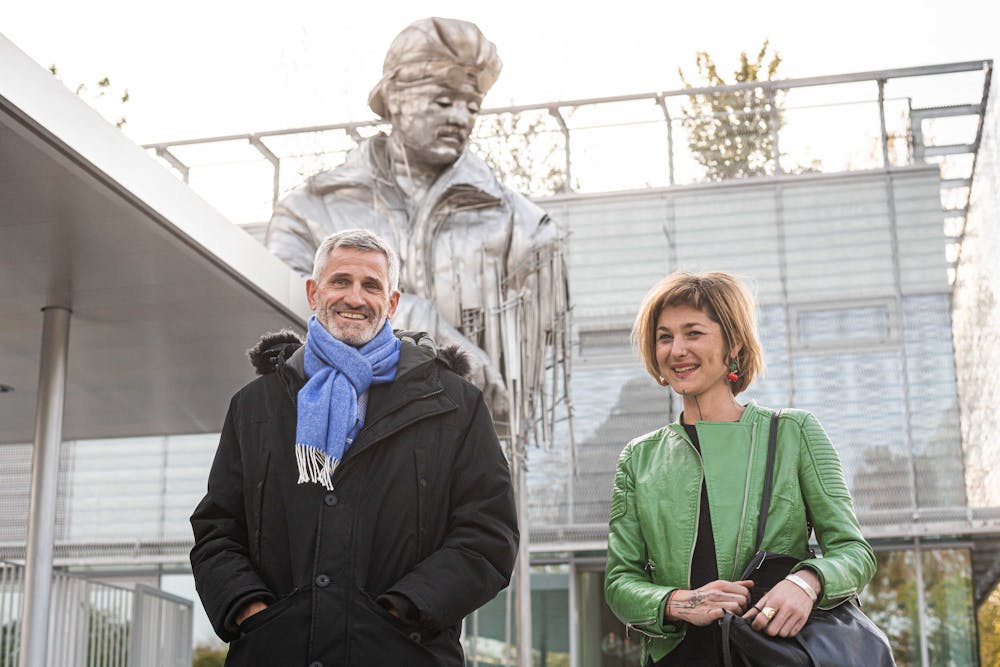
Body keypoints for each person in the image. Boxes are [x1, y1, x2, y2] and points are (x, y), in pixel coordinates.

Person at [190, 229, 519, 666]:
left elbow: (488, 535)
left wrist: (401, 611)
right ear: (314, 292)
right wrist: (253, 611)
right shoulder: (256, 406)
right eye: (340, 281)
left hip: (404, 653)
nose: (355, 297)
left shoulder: (453, 404)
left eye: (371, 285)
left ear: (393, 302)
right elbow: (217, 530)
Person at [264, 17, 569, 431]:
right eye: (443, 102)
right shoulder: (308, 212)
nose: (461, 117)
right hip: (338, 457)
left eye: (472, 106)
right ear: (393, 97)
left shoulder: (527, 229)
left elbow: (518, 405)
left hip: (458, 461)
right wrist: (422, 325)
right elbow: (280, 322)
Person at [604, 271, 876, 666]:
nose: (676, 349)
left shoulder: (794, 433)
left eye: (693, 333)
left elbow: (854, 551)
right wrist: (680, 602)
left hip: (771, 648)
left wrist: (806, 582)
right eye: (665, 337)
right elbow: (619, 582)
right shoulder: (639, 457)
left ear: (733, 342)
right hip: (679, 657)